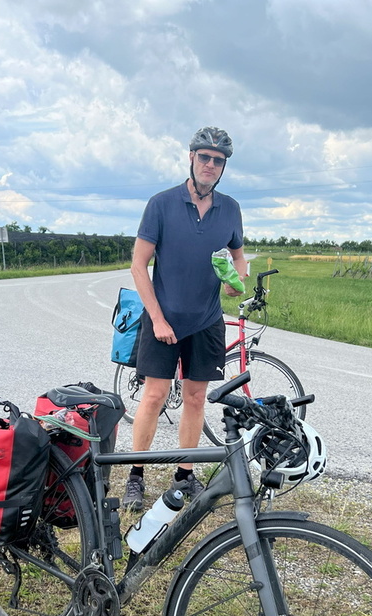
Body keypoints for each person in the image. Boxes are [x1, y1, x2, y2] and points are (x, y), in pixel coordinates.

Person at [123, 126, 248, 512]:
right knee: (154, 396)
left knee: (195, 398)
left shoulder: (230, 209)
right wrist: (157, 319)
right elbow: (139, 265)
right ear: (191, 158)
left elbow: (238, 257)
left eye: (218, 160)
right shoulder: (161, 204)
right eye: (204, 157)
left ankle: (184, 474)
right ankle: (135, 476)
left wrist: (237, 282)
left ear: (223, 167)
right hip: (163, 318)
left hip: (206, 320)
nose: (210, 165)